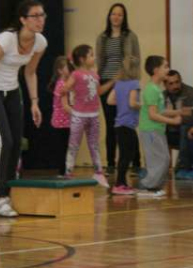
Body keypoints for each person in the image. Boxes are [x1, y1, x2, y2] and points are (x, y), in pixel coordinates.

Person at [0, 0, 48, 217]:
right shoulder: (5, 40)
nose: (41, 19)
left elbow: (30, 72)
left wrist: (34, 102)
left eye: (42, 15)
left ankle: (8, 194)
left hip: (12, 92)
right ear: (23, 19)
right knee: (5, 141)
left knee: (15, 144)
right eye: (35, 15)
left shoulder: (40, 42)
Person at [96, 3, 141, 172]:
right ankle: (110, 163)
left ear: (124, 17)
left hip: (125, 82)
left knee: (126, 124)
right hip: (106, 83)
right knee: (110, 124)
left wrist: (129, 79)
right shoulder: (102, 37)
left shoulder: (130, 36)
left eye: (120, 15)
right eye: (113, 14)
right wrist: (98, 82)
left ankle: (135, 162)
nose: (116, 17)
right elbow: (100, 62)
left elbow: (135, 59)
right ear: (109, 16)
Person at [62, 44, 112, 187]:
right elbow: (65, 88)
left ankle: (98, 173)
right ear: (83, 59)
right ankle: (69, 172)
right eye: (91, 55)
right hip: (79, 115)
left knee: (94, 145)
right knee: (74, 144)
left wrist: (113, 82)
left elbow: (98, 91)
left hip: (94, 115)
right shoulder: (76, 74)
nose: (94, 57)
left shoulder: (95, 75)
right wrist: (67, 89)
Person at [137, 55, 182, 198]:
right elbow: (152, 115)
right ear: (156, 70)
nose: (168, 70)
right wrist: (173, 121)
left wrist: (177, 112)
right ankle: (146, 187)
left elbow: (160, 111)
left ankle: (153, 186)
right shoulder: (151, 89)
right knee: (159, 159)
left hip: (157, 130)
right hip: (150, 130)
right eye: (165, 66)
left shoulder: (157, 89)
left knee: (164, 159)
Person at [106, 55, 140, 195]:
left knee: (125, 154)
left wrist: (122, 102)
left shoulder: (119, 83)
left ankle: (122, 183)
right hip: (127, 124)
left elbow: (109, 101)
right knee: (127, 155)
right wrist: (143, 106)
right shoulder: (134, 83)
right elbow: (132, 103)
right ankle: (119, 184)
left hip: (119, 124)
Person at [163, 70, 193, 177]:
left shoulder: (191, 93)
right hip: (169, 130)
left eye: (177, 82)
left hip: (185, 129)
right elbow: (157, 114)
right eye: (171, 83)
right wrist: (175, 115)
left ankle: (183, 166)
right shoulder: (161, 95)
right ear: (165, 85)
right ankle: (157, 167)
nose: (175, 86)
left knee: (185, 127)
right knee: (153, 129)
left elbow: (191, 116)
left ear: (181, 81)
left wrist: (169, 114)